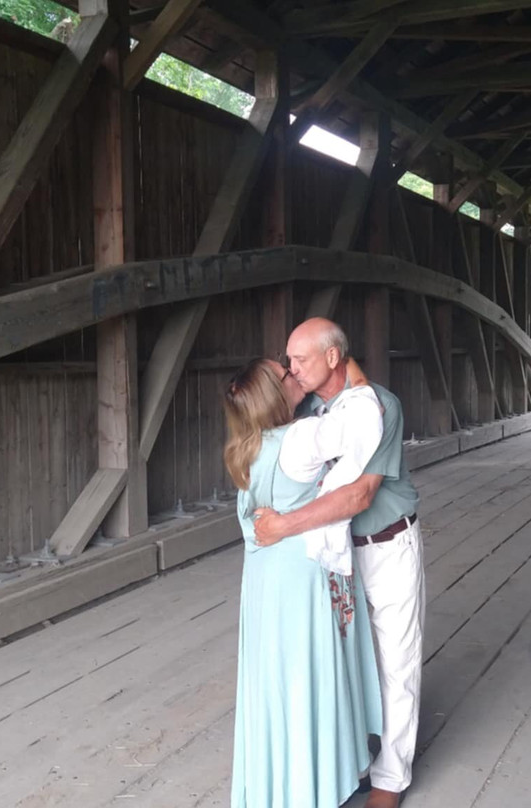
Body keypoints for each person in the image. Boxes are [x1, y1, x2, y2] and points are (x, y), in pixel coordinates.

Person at [254, 319, 424, 808]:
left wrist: (284, 526)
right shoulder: (307, 406)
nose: (292, 369)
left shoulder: (380, 406)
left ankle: (390, 780)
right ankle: (351, 762)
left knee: (396, 662)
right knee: (346, 661)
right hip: (334, 554)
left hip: (386, 544)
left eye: (299, 359)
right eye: (288, 360)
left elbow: (360, 494)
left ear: (332, 358)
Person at [224, 356, 384, 808]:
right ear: (275, 393)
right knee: (309, 673)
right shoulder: (299, 439)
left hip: (264, 581)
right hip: (301, 575)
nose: (294, 373)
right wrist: (353, 372)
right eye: (284, 372)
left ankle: (280, 785)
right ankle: (317, 783)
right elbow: (365, 421)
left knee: (276, 678)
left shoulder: (247, 447)